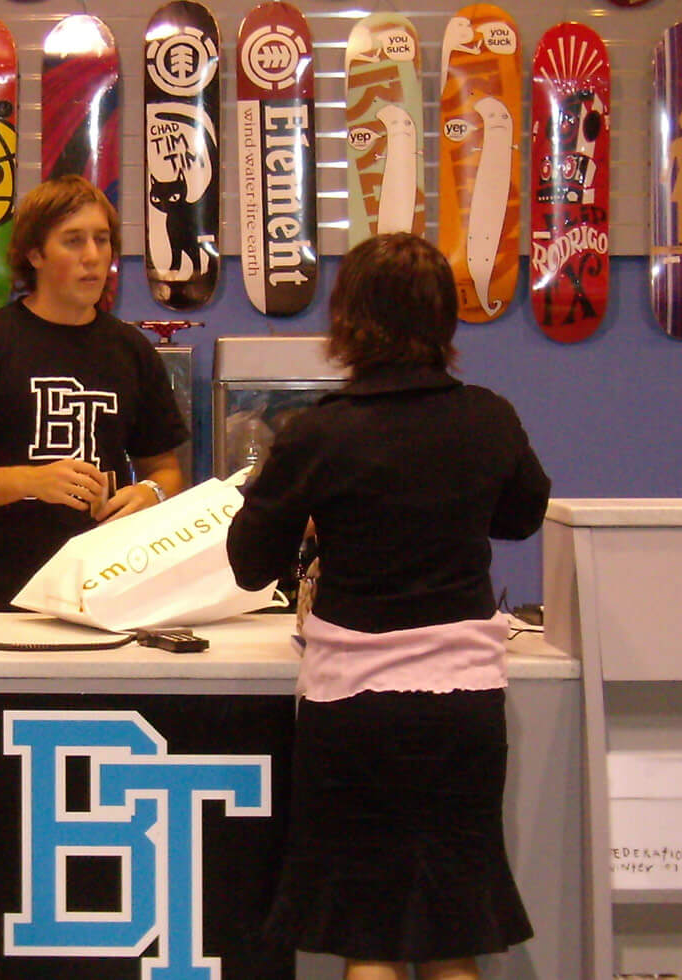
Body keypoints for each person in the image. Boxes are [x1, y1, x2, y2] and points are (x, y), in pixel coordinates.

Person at [227, 233, 551, 980]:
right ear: (446, 322)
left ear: (347, 321)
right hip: (463, 709)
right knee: (449, 938)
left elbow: (250, 567)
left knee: (366, 940)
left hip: (351, 710)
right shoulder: (489, 417)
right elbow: (522, 515)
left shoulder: (317, 432)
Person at [0, 176, 189, 610]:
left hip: (111, 599)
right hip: (5, 605)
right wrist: (31, 480)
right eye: (73, 241)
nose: (93, 257)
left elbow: (166, 470)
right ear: (35, 254)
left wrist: (152, 493)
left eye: (102, 240)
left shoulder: (133, 351)